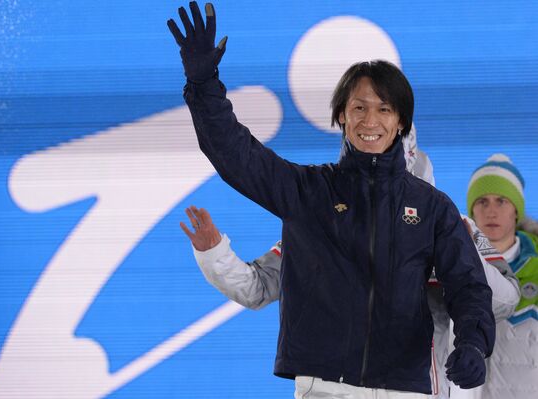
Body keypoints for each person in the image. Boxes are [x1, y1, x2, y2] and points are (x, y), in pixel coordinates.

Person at [167, 3, 495, 397]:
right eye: (358, 108)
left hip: (403, 390)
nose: (370, 121)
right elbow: (237, 156)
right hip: (324, 388)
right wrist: (204, 86)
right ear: (341, 115)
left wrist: (474, 343)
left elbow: (469, 287)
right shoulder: (308, 192)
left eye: (384, 109)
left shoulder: (432, 208)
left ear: (401, 122)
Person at [180, 143, 520, 399]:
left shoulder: (449, 224)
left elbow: (504, 300)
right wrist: (215, 254)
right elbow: (257, 288)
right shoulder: (320, 224)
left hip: (424, 388)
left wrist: (453, 258)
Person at [465, 154, 538, 399]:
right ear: (472, 211)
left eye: (502, 201)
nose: (492, 211)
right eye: (482, 201)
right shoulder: (452, 262)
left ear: (516, 210)